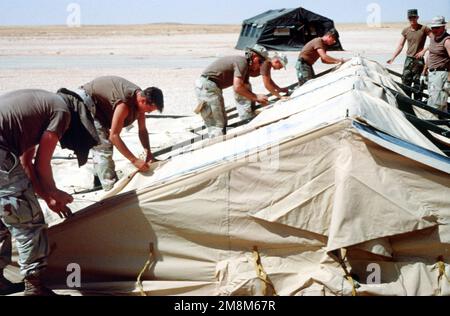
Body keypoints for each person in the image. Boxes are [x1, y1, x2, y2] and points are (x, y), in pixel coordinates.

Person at [0, 89, 74, 296]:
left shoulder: (36, 112)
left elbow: (26, 164)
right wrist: (55, 193)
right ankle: (35, 287)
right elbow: (42, 164)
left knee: (3, 219)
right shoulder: (61, 112)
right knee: (28, 222)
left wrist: (48, 196)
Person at [77, 76, 164, 191]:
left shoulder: (140, 99)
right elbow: (114, 136)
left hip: (98, 105)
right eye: (148, 110)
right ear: (143, 101)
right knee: (104, 146)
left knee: (102, 141)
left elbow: (142, 130)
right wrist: (134, 160)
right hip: (84, 101)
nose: (146, 113)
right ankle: (110, 188)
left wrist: (148, 151)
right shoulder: (125, 103)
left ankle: (98, 181)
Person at [195, 45, 270, 138]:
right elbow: (238, 87)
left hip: (212, 87)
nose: (260, 65)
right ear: (254, 56)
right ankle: (216, 147)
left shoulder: (245, 67)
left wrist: (256, 102)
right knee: (216, 125)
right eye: (260, 61)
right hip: (206, 86)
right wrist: (256, 97)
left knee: (222, 121)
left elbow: (244, 90)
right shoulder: (242, 62)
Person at [387, 9, 431, 99]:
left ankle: (418, 104)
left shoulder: (424, 28)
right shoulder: (406, 30)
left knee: (418, 85)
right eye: (410, 17)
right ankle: (408, 105)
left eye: (414, 17)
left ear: (417, 17)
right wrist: (393, 57)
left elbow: (435, 40)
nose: (412, 19)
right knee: (405, 84)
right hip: (408, 60)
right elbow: (400, 45)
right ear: (408, 18)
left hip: (419, 61)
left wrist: (424, 50)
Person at [424, 16, 450, 113]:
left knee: (436, 103)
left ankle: (433, 124)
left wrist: (449, 80)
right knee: (436, 100)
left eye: (437, 28)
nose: (434, 30)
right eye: (433, 28)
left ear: (443, 27)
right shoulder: (433, 38)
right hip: (432, 74)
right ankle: (443, 123)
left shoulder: (447, 40)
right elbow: (430, 55)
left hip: (442, 74)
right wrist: (424, 72)